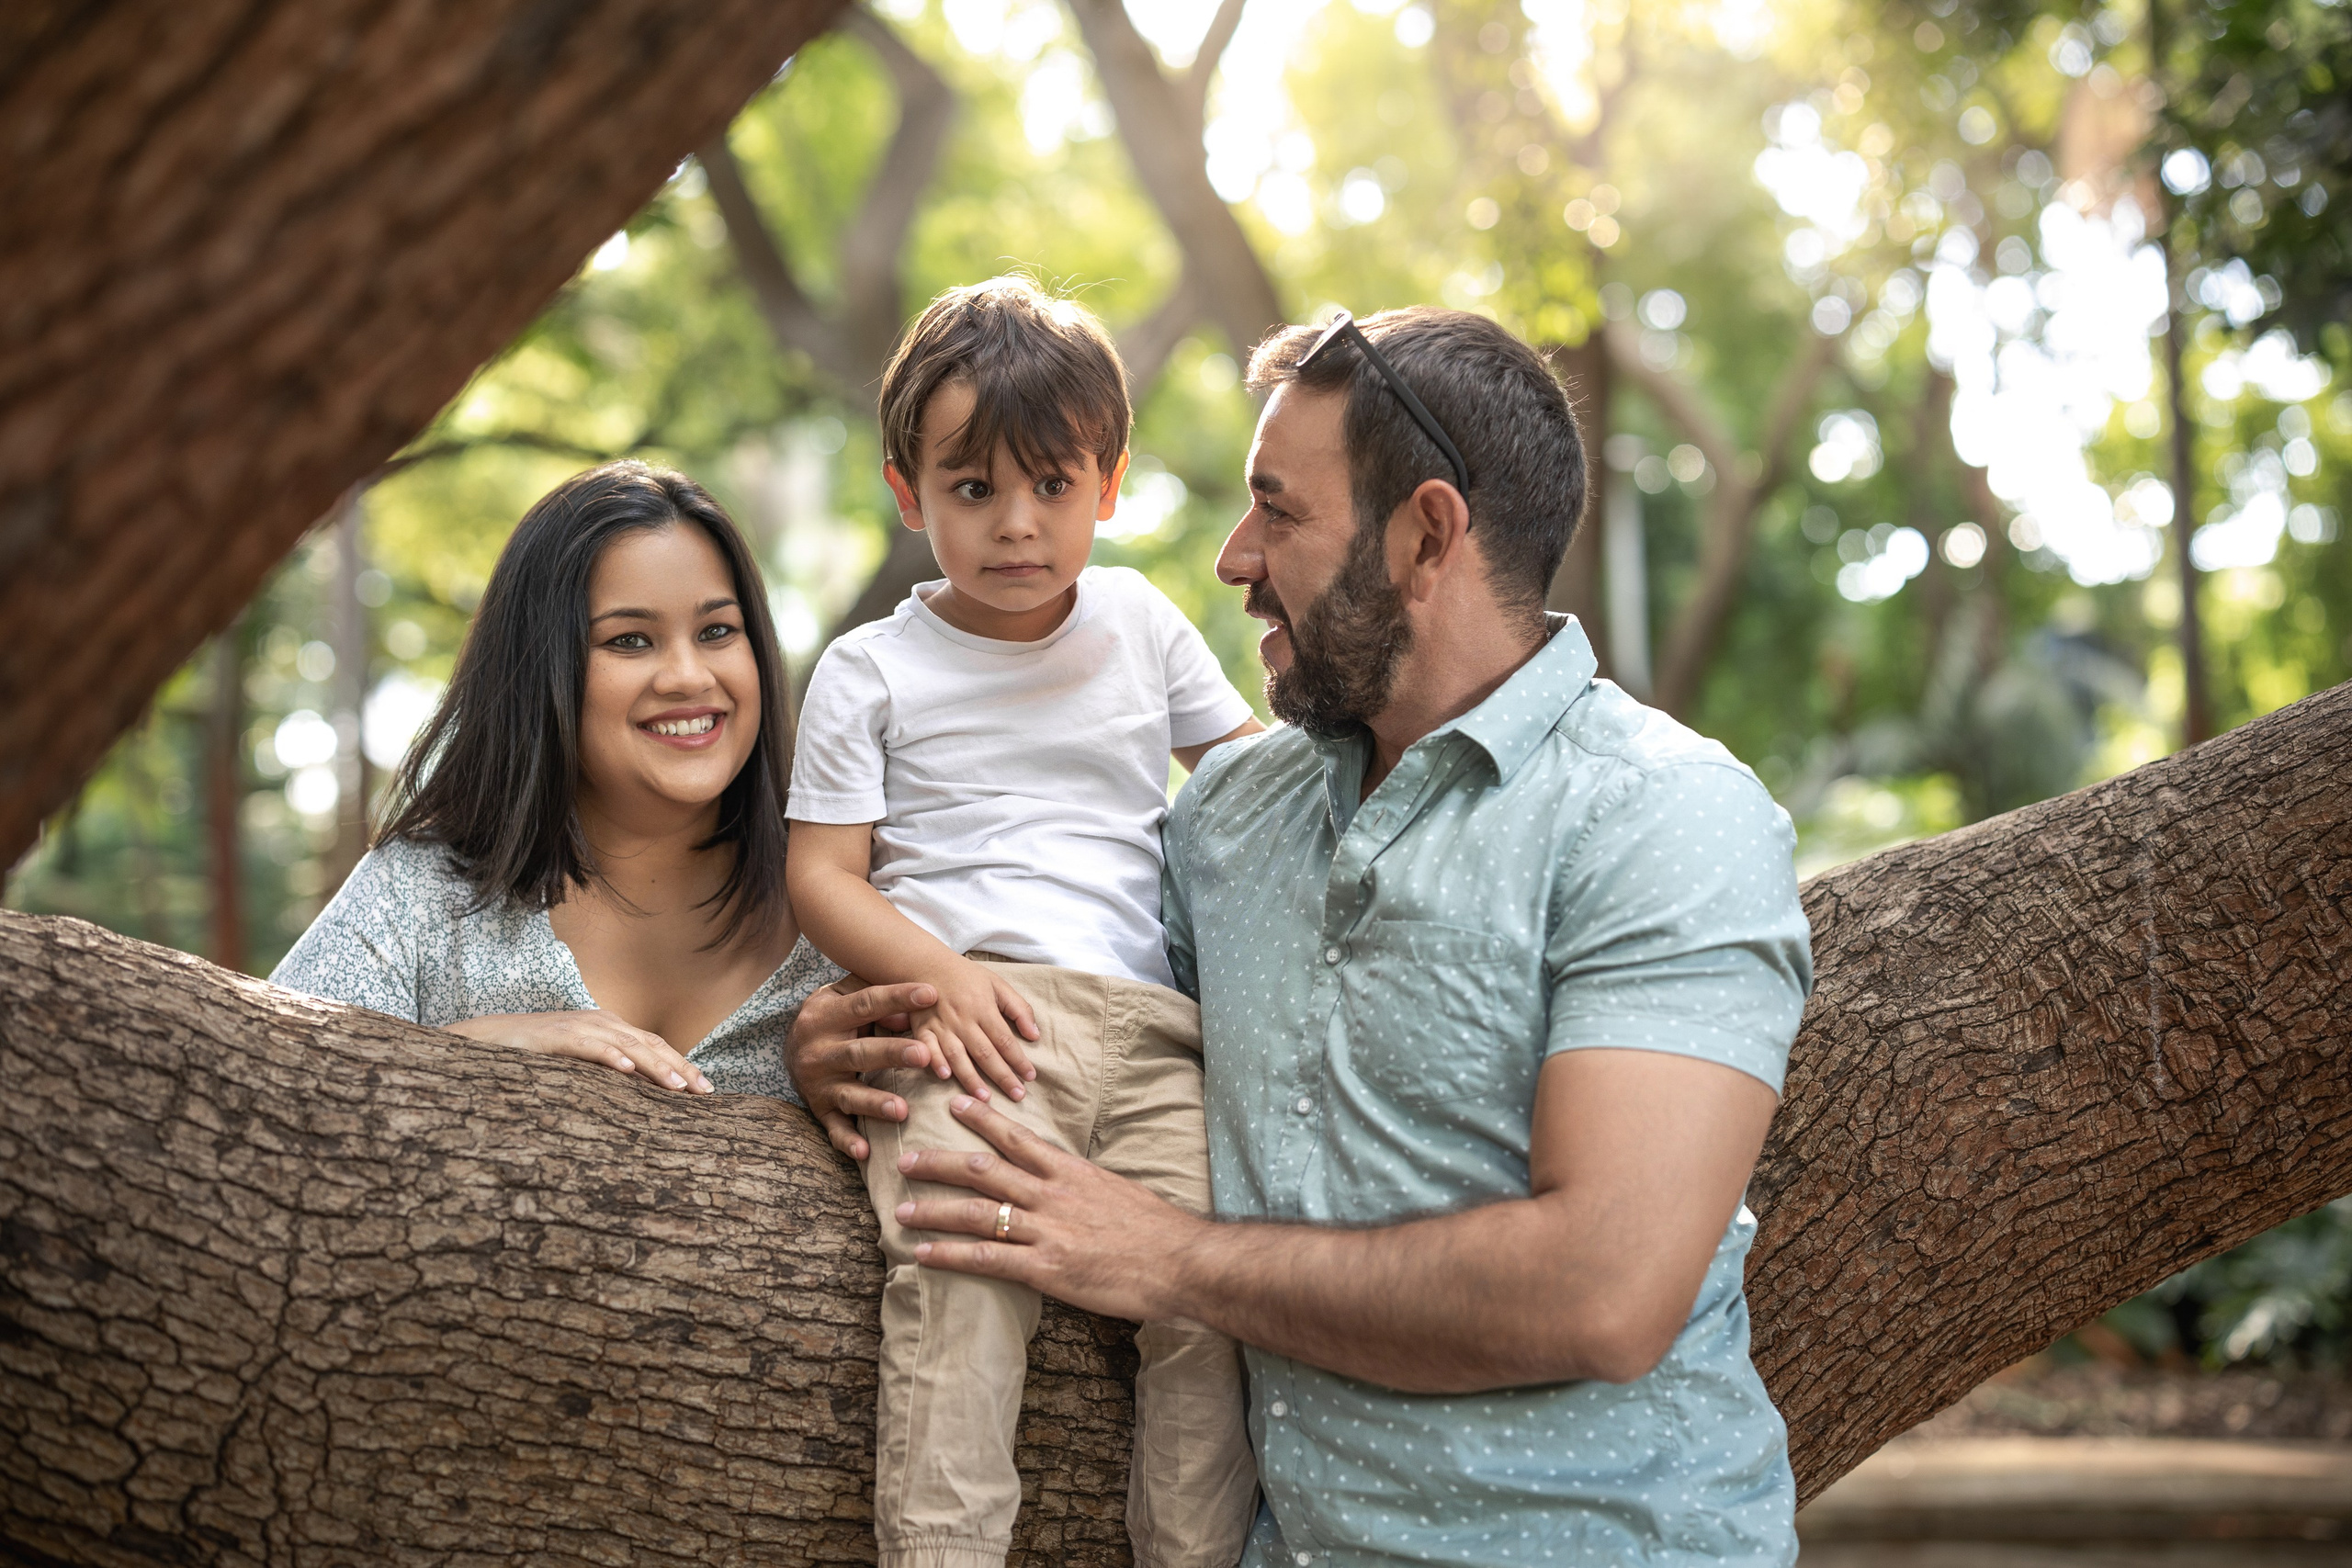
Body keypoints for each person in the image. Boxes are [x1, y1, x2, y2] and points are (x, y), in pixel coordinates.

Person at [799, 308, 1815, 1567]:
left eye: (1276, 511)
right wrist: (839, 1024)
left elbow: (1602, 1291)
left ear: (1426, 534)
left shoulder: (1661, 815)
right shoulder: (1231, 816)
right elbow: (1048, 948)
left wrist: (1174, 1258)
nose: (1230, 558)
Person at [786, 276, 1263, 1568]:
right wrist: (938, 978)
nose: (1016, 525)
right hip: (972, 1027)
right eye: (973, 489)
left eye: (1052, 487)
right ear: (908, 493)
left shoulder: (1143, 622)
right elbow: (822, 875)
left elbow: (1250, 777)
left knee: (1212, 1294)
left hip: (1158, 1036)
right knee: (960, 1284)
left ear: (1107, 486)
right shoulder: (871, 668)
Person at [273, 460, 932, 1103]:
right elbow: (263, 1086)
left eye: (717, 631)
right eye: (630, 641)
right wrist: (476, 1051)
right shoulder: (422, 897)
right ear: (541, 671)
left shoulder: (858, 912)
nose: (688, 676)